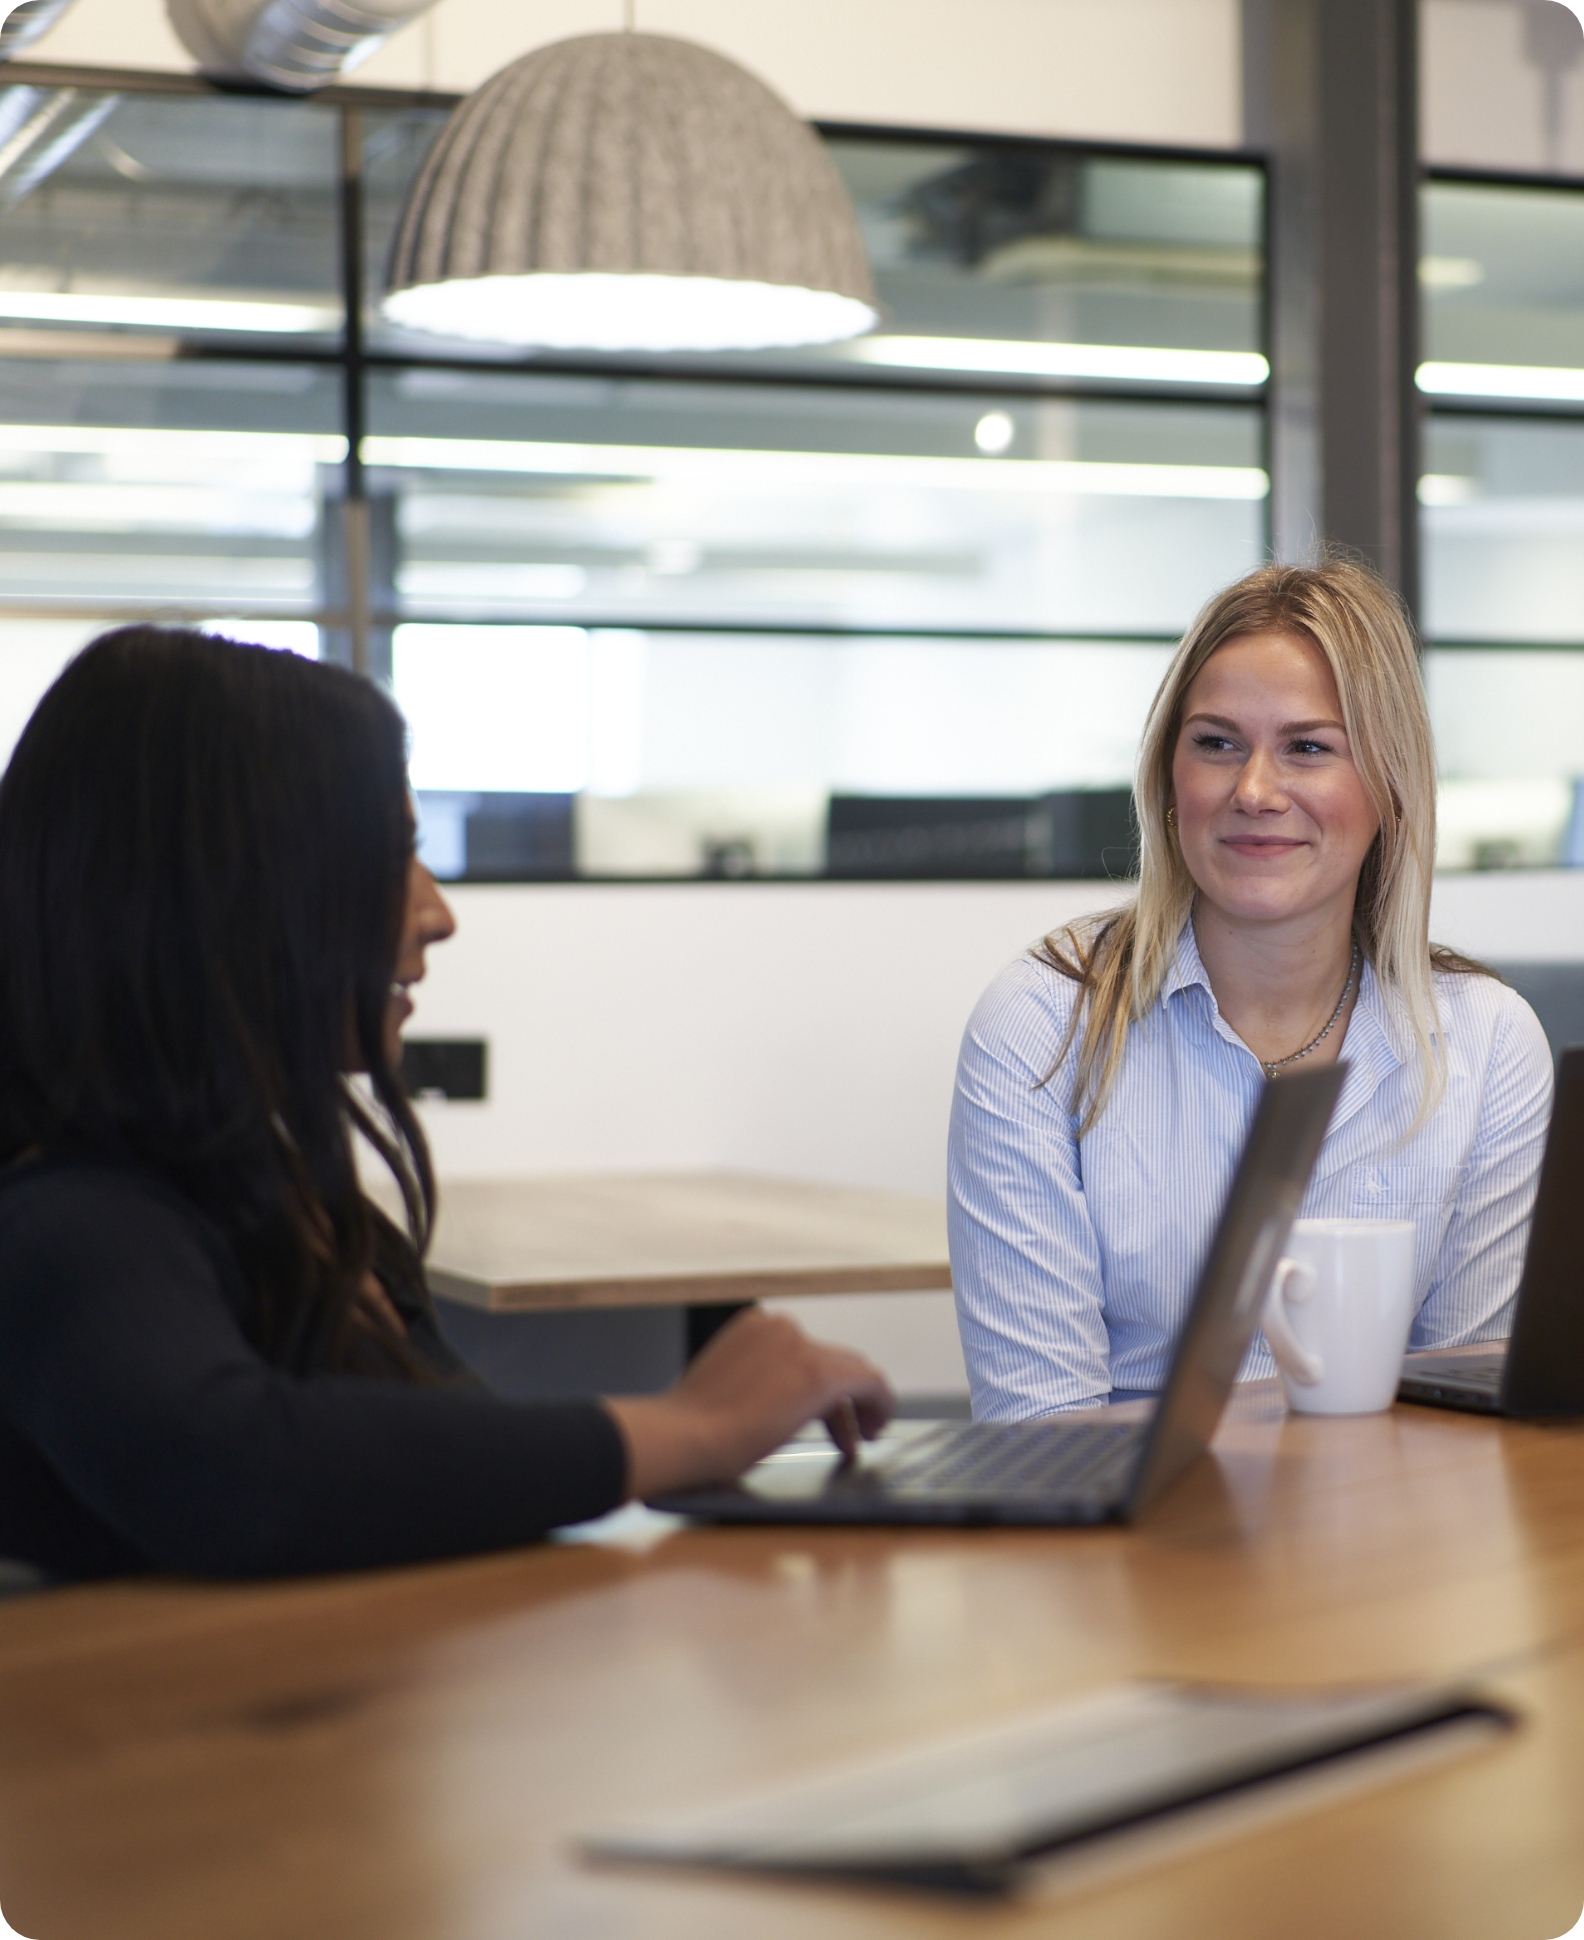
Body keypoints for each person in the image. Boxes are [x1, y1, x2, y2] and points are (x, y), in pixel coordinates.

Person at [0, 625, 891, 1580]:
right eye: (387, 860)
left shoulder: (300, 1213)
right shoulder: (62, 1219)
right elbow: (240, 1476)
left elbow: (434, 1477)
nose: (437, 912)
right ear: (218, 898)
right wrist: (690, 1427)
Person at [948, 559, 1553, 1419]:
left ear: (1389, 786)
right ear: (1169, 780)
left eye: (1307, 747)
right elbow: (1039, 1431)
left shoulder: (1487, 1043)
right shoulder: (1044, 1025)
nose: (1254, 791)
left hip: (1392, 1536)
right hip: (1130, 1537)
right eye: (1217, 743)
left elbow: (1472, 1409)